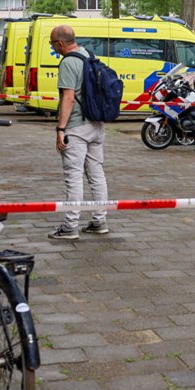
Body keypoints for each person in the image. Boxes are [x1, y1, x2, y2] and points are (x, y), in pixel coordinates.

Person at [47, 25, 110, 240]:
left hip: (76, 126)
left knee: (73, 177)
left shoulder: (68, 62)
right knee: (97, 175)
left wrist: (60, 129)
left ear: (60, 43)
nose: (53, 48)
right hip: (96, 124)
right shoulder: (89, 55)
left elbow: (69, 98)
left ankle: (70, 227)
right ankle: (99, 221)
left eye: (53, 44)